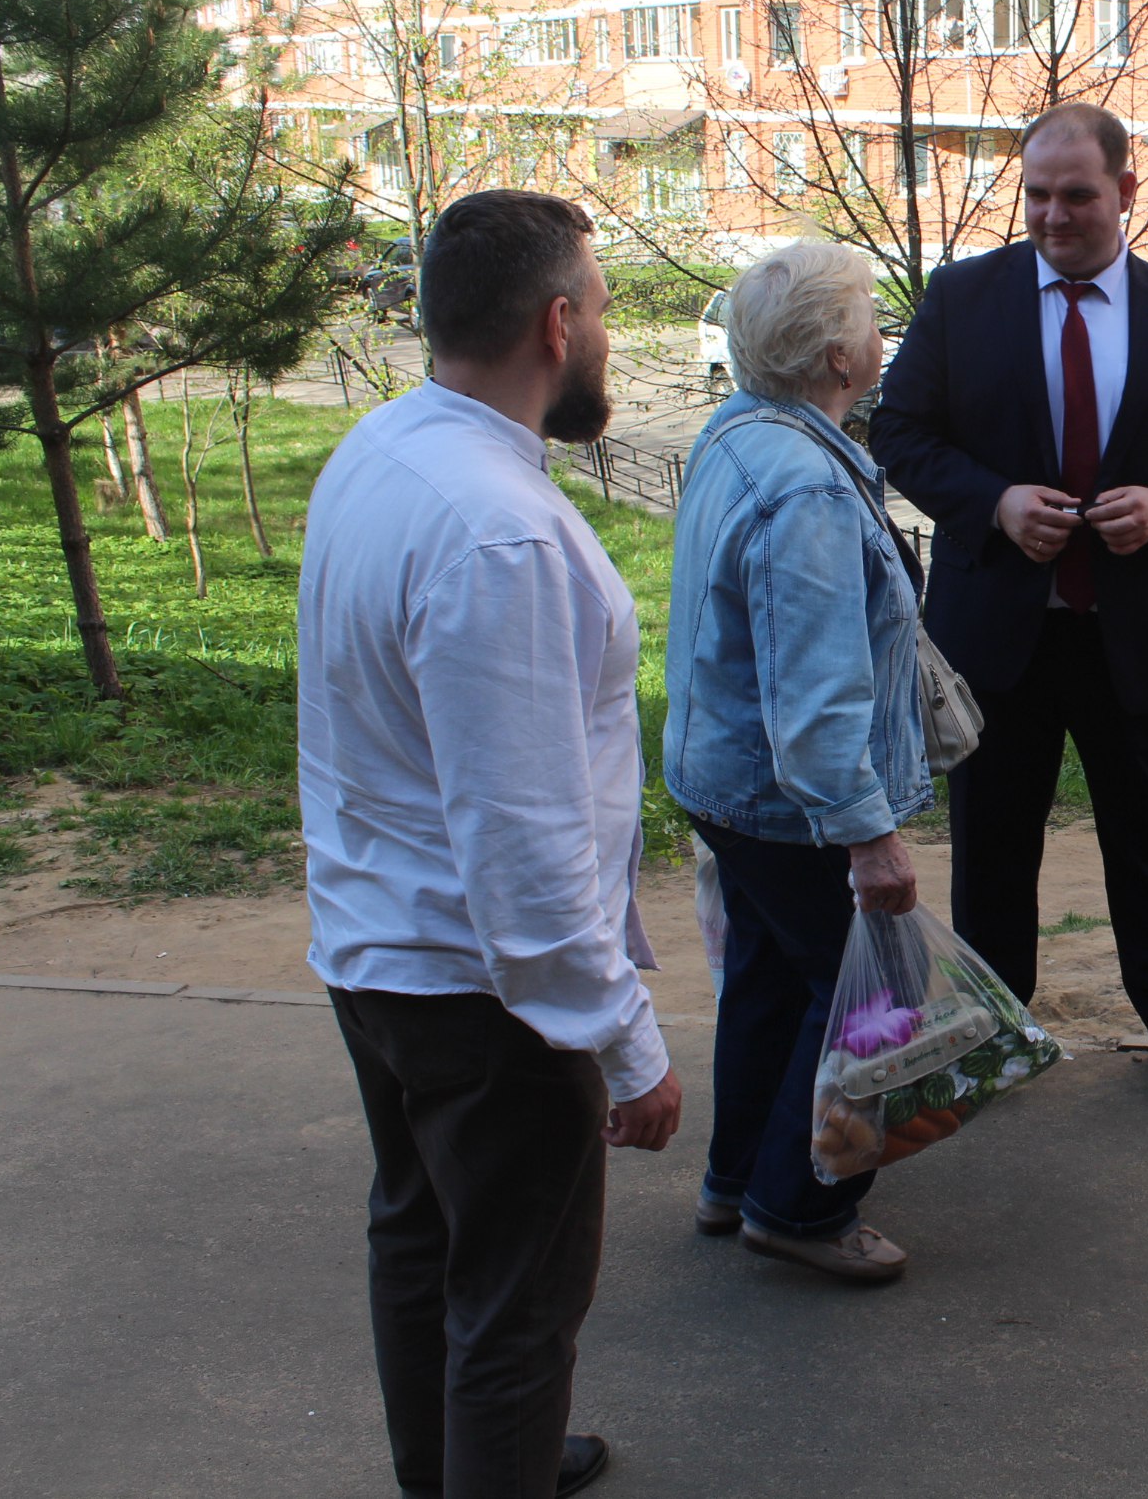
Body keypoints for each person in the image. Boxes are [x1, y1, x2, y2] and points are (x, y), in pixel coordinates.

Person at [299, 189, 681, 1499]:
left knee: (422, 1237)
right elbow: (523, 842)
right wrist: (625, 1040)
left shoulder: (383, 450)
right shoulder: (500, 530)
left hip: (378, 952)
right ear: (557, 321)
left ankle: (456, 1466)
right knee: (517, 1303)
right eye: (607, 311)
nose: (610, 339)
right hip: (485, 992)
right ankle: (491, 1458)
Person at [868, 103, 1148, 1113]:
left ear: (1127, 192)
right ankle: (995, 1031)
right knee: (994, 851)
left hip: (1130, 636)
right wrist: (993, 503)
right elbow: (900, 432)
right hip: (996, 640)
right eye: (1037, 194)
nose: (1052, 215)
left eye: (1077, 194)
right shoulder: (963, 299)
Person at [662, 242, 930, 1282]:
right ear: (835, 354)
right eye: (870, 317)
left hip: (729, 786)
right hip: (793, 805)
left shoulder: (738, 434)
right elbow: (817, 702)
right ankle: (803, 1205)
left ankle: (736, 1180)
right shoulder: (801, 487)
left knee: (773, 981)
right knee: (877, 991)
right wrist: (871, 839)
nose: (880, 335)